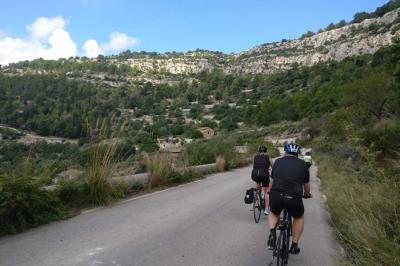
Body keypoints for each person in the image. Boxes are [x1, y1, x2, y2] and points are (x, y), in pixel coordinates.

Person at [267, 143, 311, 254]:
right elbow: (306, 184)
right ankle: (294, 245)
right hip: (294, 196)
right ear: (298, 153)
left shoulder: (278, 162)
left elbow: (272, 180)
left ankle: (272, 232)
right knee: (298, 217)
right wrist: (307, 194)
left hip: (276, 193)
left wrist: (269, 191)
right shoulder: (303, 165)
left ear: (285, 152)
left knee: (273, 212)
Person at [251, 145, 274, 215]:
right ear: (266, 151)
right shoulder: (268, 158)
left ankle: (256, 196)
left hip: (255, 175)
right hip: (264, 175)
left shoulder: (255, 157)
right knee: (267, 191)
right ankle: (266, 209)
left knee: (257, 183)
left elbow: (254, 166)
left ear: (259, 151)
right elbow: (274, 167)